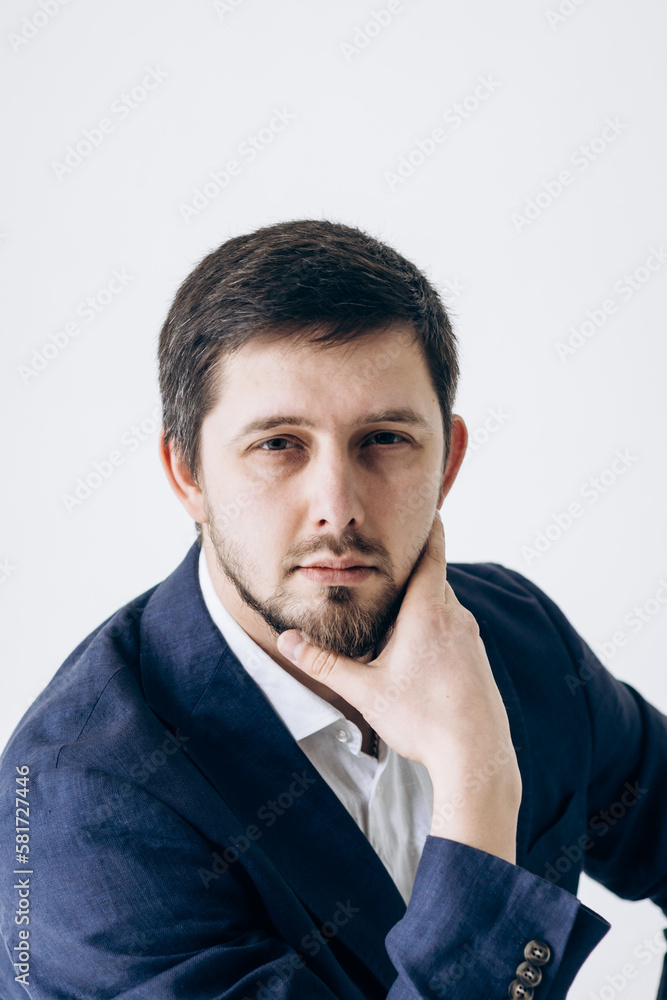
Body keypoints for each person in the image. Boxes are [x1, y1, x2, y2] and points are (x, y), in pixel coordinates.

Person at [1, 219, 666, 1000]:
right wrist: (474, 781)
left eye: (383, 439)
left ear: (447, 461)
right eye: (279, 444)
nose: (336, 508)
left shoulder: (518, 634)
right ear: (187, 474)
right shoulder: (79, 804)